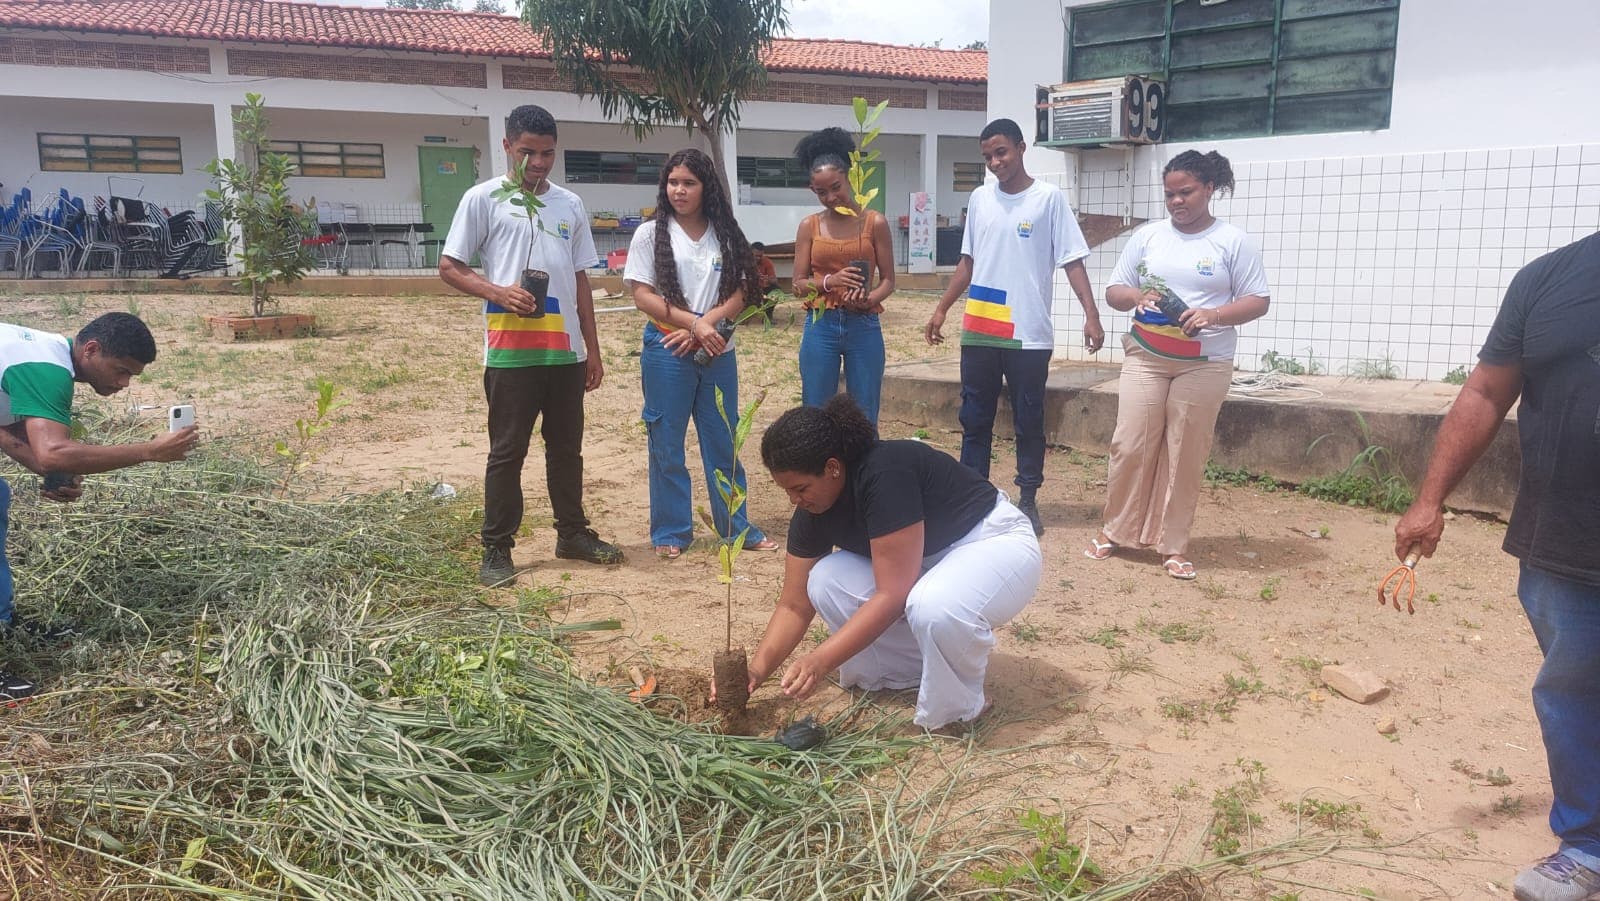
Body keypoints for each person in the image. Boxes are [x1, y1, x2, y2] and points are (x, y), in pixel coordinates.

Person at [1393, 232, 1600, 901]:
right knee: (1571, 691)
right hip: (1567, 541)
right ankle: (1589, 842)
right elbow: (1486, 390)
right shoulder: (1549, 279)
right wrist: (1430, 498)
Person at [724, 395, 1041, 731]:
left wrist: (821, 660)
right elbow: (794, 605)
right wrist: (756, 671)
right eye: (787, 491)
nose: (794, 500)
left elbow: (892, 595)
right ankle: (902, 673)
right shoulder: (813, 509)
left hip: (994, 544)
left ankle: (961, 708)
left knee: (932, 604)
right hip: (931, 561)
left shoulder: (885, 474)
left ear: (833, 468)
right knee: (825, 579)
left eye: (801, 488)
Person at [440, 104, 622, 587]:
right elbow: (450, 266)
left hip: (565, 351)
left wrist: (592, 349)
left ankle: (573, 535)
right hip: (510, 352)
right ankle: (497, 549)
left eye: (547, 153)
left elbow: (581, 279)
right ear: (506, 146)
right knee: (508, 451)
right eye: (528, 152)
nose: (538, 163)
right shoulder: (483, 199)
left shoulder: (569, 204)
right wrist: (498, 292)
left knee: (567, 450)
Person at [1083, 150, 1269, 580]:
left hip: (1204, 363)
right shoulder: (1148, 237)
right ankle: (1115, 530)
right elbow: (1114, 290)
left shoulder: (1232, 241)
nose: (1177, 202)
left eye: (1185, 192)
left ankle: (1173, 545)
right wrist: (1136, 297)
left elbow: (1258, 300)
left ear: (1209, 189)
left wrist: (1214, 315)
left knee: (1185, 451)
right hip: (1146, 357)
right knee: (1130, 444)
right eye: (1169, 195)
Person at [0, 313, 199, 701]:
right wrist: (149, 452)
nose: (124, 384)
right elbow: (53, 451)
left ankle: (4, 624)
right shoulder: (46, 368)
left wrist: (49, 466)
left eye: (132, 377)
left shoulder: (38, 355)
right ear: (90, 349)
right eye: (121, 370)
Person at [924, 117, 1102, 537]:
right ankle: (971, 498)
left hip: (1028, 333)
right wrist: (942, 308)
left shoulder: (1048, 199)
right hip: (981, 329)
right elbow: (967, 261)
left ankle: (1028, 499)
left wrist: (1091, 314)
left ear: (1021, 148)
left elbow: (1072, 261)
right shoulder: (981, 200)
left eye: (1001, 152)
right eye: (987, 157)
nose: (995, 163)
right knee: (974, 417)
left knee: (1028, 419)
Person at [623, 148, 779, 560]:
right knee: (666, 441)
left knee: (722, 439)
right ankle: (672, 531)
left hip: (717, 350)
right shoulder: (650, 233)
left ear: (705, 187)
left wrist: (705, 326)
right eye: (673, 182)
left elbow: (743, 292)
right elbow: (642, 294)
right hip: (666, 348)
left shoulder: (726, 233)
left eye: (689, 183)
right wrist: (693, 325)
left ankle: (735, 526)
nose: (680, 190)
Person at [791, 127, 897, 425]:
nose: (830, 197)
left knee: (864, 413)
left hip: (863, 325)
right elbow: (798, 285)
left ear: (849, 176)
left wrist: (870, 299)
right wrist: (830, 281)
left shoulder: (874, 222)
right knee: (816, 412)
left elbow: (888, 280)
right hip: (820, 324)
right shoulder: (809, 226)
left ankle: (865, 471)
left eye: (836, 187)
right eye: (821, 192)